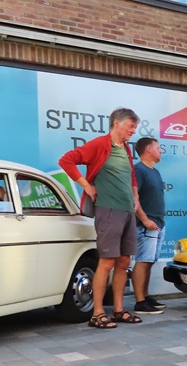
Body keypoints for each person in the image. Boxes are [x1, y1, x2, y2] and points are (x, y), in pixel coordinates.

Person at [59, 107, 143, 329]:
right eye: (131, 126)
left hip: (127, 211)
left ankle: (118, 310)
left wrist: (135, 197)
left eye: (135, 127)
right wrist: (87, 186)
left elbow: (131, 176)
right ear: (116, 123)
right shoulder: (99, 144)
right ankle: (97, 314)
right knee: (106, 262)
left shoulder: (125, 149)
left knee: (124, 261)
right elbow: (66, 160)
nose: (133, 131)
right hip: (109, 210)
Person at [131, 137, 167, 315]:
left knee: (149, 262)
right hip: (146, 225)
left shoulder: (155, 172)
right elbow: (133, 198)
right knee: (143, 260)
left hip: (158, 224)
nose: (161, 151)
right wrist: (145, 220)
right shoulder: (138, 170)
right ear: (148, 150)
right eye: (158, 148)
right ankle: (139, 302)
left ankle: (145, 297)